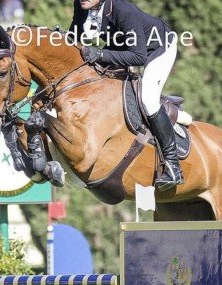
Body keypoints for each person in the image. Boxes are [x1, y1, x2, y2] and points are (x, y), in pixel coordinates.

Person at [69, 0, 182, 191]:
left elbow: (138, 57)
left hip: (158, 48)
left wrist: (101, 54)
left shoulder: (123, 10)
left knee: (148, 99)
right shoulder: (82, 5)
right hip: (122, 47)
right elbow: (72, 39)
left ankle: (173, 165)